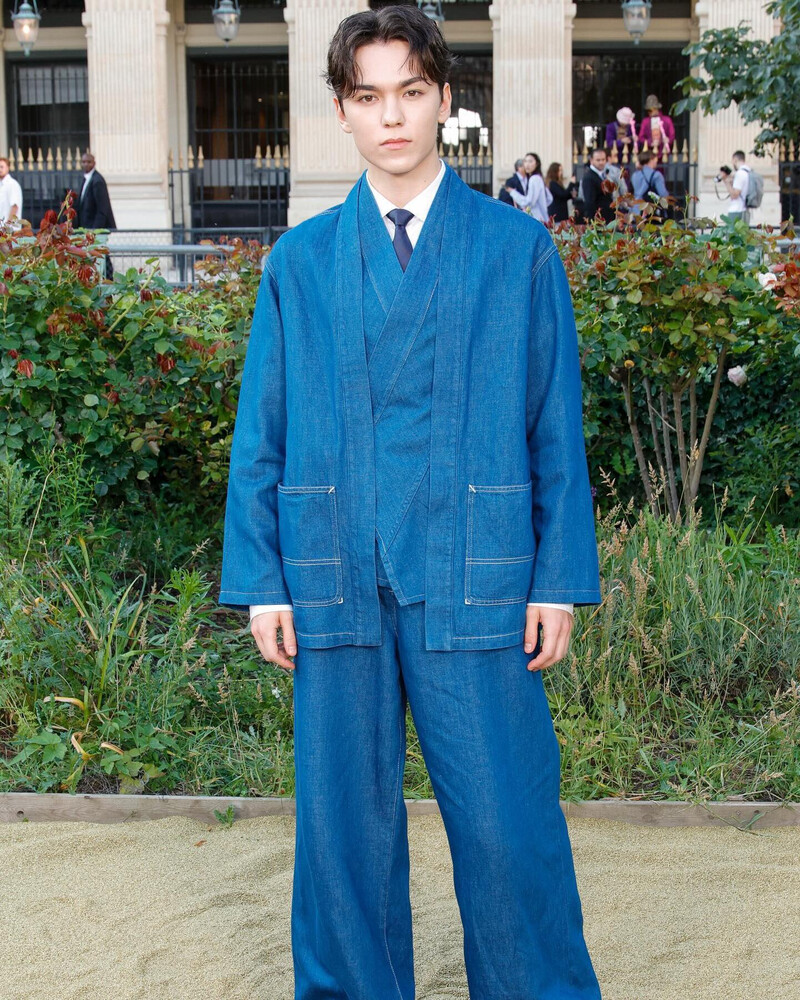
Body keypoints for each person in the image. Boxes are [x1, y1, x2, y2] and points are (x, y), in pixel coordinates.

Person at [219, 6, 602, 999]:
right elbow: (261, 432)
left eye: (410, 92)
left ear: (443, 100)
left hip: (474, 573)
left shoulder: (515, 252)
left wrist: (555, 576)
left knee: (508, 825)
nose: (391, 116)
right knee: (340, 833)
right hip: (328, 571)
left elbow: (552, 428)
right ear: (341, 112)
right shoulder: (297, 264)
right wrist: (261, 578)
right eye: (367, 96)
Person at [75, 150, 116, 278]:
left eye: (88, 162)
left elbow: (102, 209)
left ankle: (108, 280)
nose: (86, 164)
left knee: (101, 255)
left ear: (94, 163)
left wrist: (95, 230)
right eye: (83, 162)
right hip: (86, 227)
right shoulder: (86, 179)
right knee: (98, 256)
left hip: (94, 228)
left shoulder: (98, 180)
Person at [504, 150, 551, 222]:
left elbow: (528, 202)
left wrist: (512, 192)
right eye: (525, 161)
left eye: (530, 161)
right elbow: (549, 198)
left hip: (535, 219)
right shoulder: (538, 178)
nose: (527, 164)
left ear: (537, 163)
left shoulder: (534, 179)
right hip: (541, 218)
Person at [579, 146, 616, 223]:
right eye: (598, 160)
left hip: (606, 220)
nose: (601, 162)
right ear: (591, 160)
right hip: (599, 222)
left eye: (603, 159)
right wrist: (594, 223)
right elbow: (589, 203)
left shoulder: (602, 174)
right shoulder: (589, 177)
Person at [631, 149, 669, 217]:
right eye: (655, 159)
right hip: (649, 211)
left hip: (636, 210)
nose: (656, 162)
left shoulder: (634, 175)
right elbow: (663, 194)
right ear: (651, 159)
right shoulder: (656, 175)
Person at [720, 149, 751, 223]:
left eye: (732, 161)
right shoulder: (748, 172)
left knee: (732, 234)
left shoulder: (740, 174)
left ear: (735, 159)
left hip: (737, 211)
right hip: (745, 211)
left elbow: (734, 195)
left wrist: (726, 181)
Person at [0, 157, 23, 231]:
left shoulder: (12, 184)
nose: (0, 169)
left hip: (10, 231)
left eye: (2, 167)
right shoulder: (2, 185)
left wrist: (7, 226)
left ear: (8, 168)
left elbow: (15, 206)